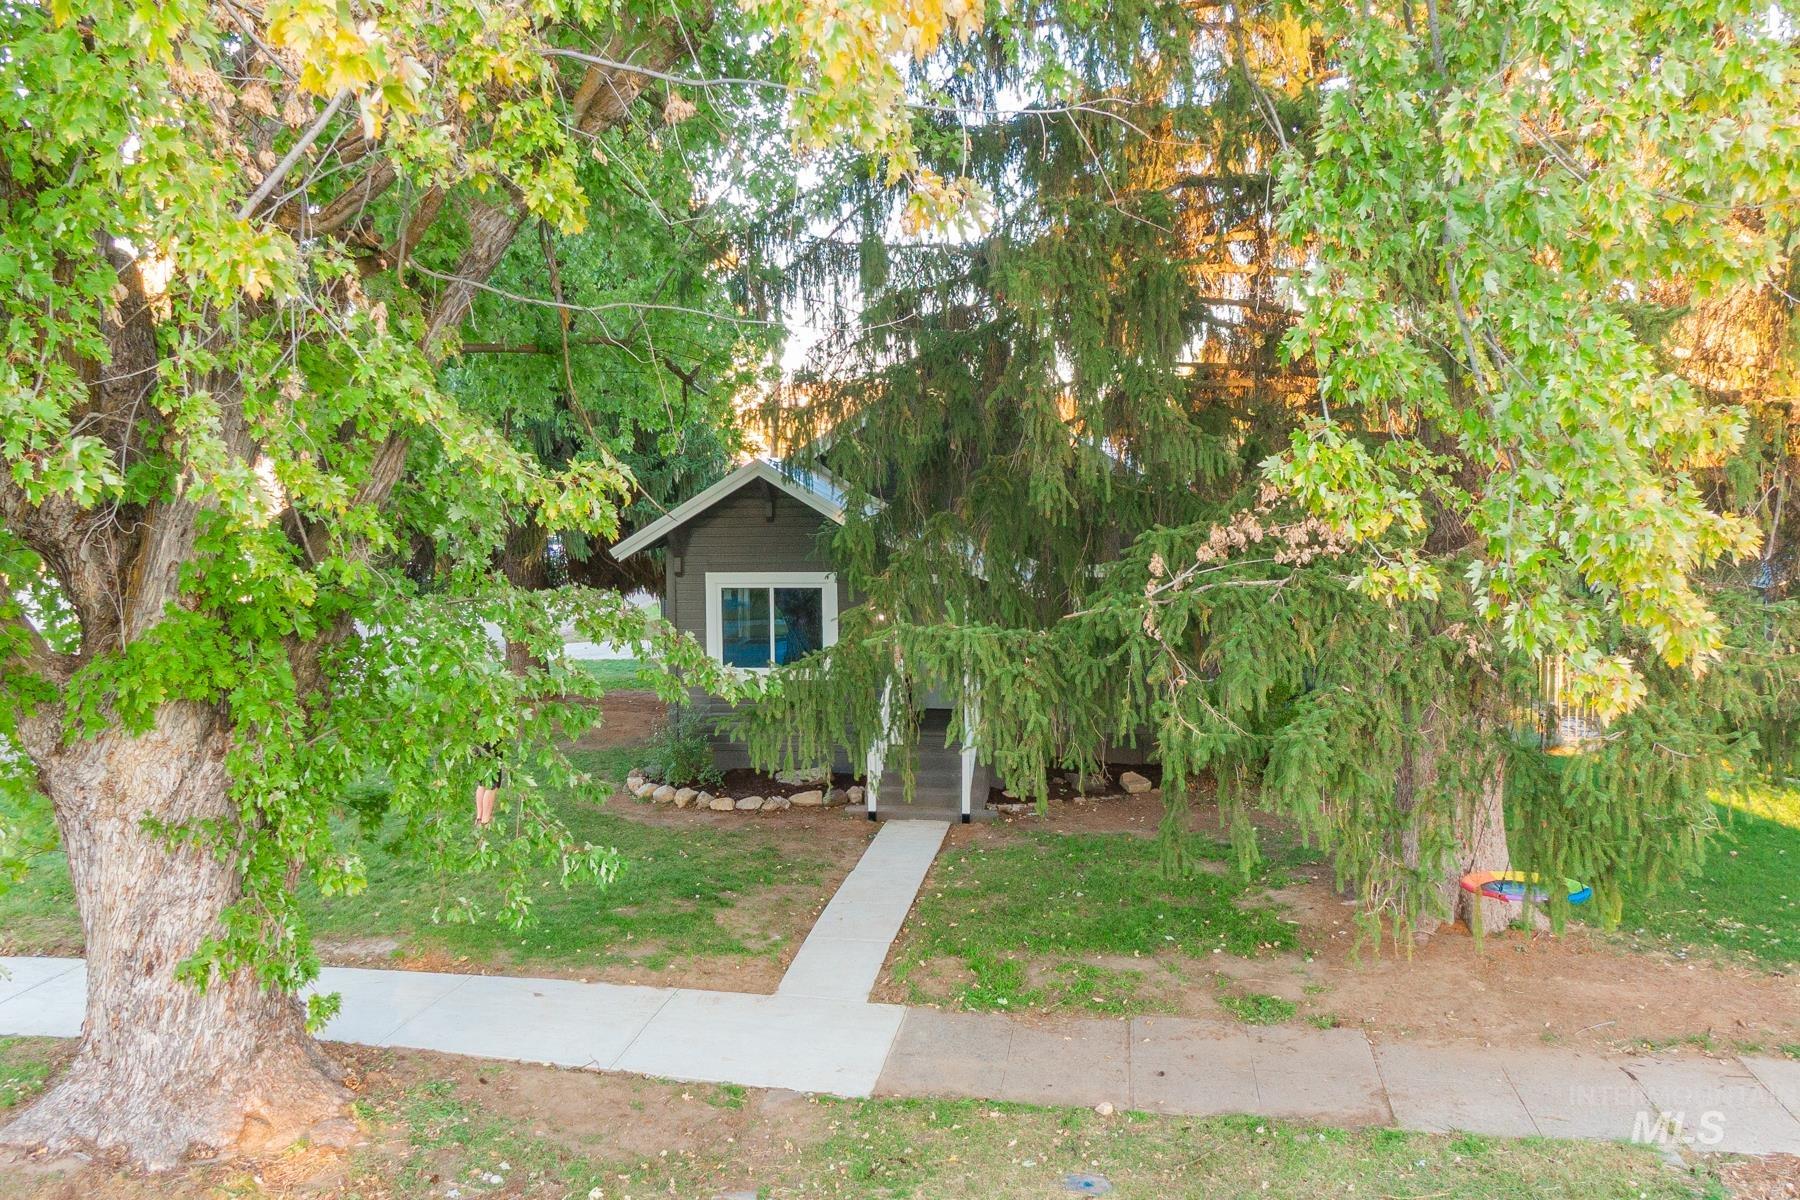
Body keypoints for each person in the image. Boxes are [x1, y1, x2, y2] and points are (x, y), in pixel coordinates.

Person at [473, 740, 503, 826]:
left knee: (482, 783)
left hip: (477, 740)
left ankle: (479, 817)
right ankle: (485, 820)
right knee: (493, 786)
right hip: (490, 742)